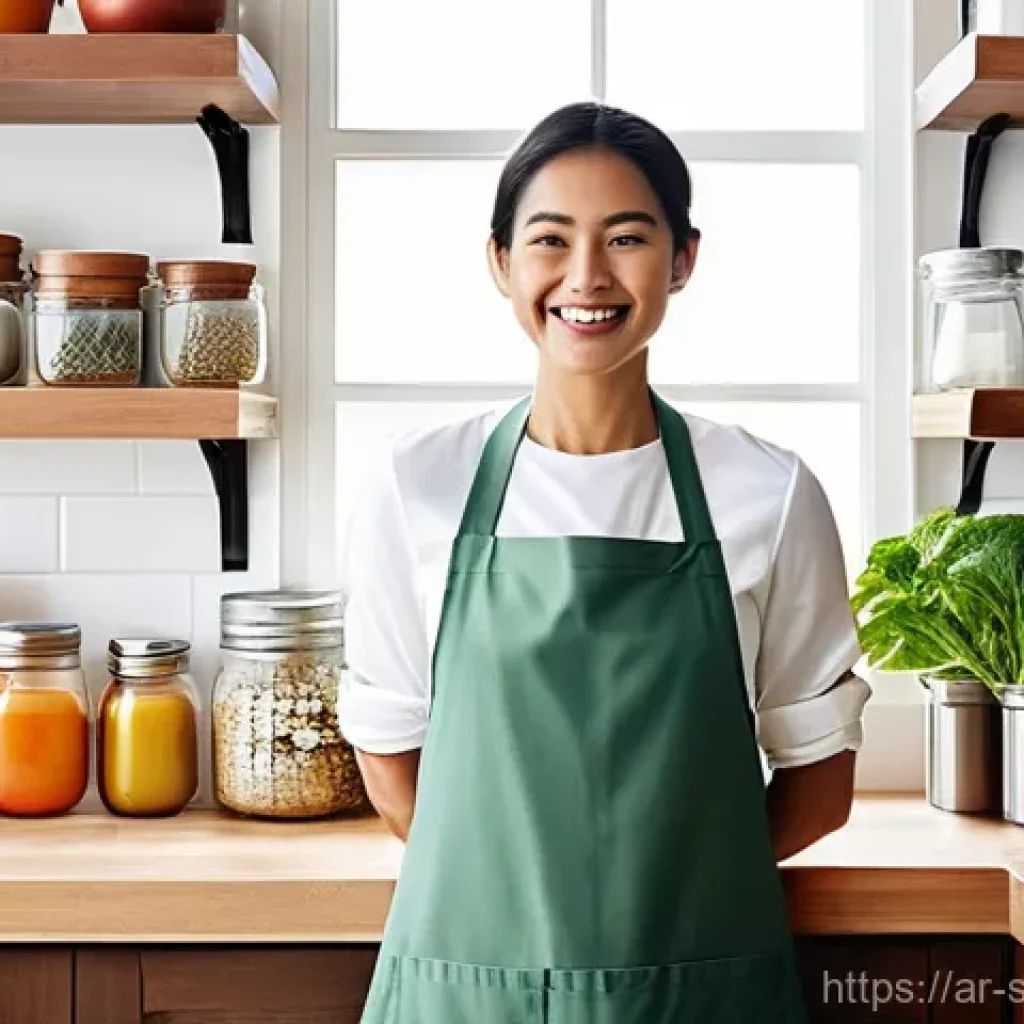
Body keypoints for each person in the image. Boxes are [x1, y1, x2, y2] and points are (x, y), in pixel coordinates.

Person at [341, 101, 871, 1023]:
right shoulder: (416, 484)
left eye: (627, 238)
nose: (586, 277)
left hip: (699, 988)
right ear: (500, 260)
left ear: (684, 259)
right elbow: (388, 754)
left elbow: (821, 784)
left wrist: (663, 911)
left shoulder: (769, 495)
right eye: (550, 239)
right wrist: (509, 919)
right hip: (466, 988)